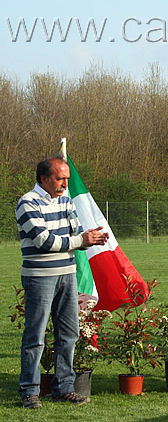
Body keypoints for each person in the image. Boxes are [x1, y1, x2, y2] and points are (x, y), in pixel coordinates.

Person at [16, 156, 109, 409]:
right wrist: (79, 240)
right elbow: (44, 241)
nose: (65, 183)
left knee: (69, 334)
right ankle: (29, 392)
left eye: (67, 178)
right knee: (35, 337)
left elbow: (74, 232)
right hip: (40, 277)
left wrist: (89, 238)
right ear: (44, 179)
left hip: (67, 275)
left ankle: (64, 388)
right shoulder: (27, 202)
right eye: (60, 178)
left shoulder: (67, 201)